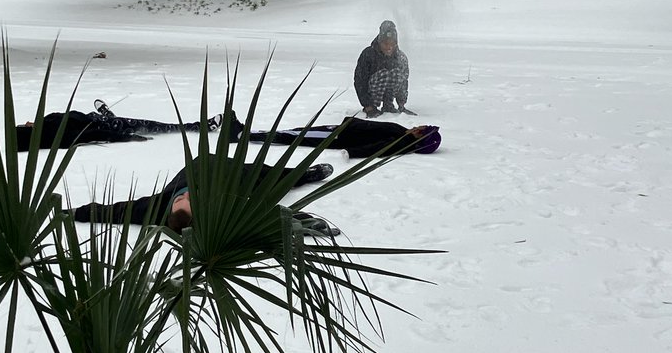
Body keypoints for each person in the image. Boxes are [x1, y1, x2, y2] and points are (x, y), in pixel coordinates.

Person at [72, 155, 336, 232]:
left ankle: (301, 173)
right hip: (228, 176)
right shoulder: (217, 207)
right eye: (187, 202)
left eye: (179, 200)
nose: (183, 197)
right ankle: (304, 175)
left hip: (203, 162)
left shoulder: (156, 206)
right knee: (267, 176)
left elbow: (116, 211)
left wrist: (74, 213)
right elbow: (262, 216)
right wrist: (306, 222)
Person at [15, 100, 219, 151]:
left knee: (118, 120)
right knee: (154, 126)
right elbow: (92, 135)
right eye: (26, 128)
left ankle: (108, 113)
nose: (27, 124)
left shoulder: (43, 125)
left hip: (93, 117)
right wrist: (128, 137)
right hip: (107, 126)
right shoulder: (56, 137)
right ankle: (197, 127)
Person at [242, 116, 440, 158]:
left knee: (294, 136)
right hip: (341, 129)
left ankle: (244, 134)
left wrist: (352, 152)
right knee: (297, 131)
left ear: (419, 135)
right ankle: (251, 132)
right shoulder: (403, 133)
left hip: (338, 137)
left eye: (422, 128)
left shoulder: (401, 141)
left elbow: (378, 149)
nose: (419, 125)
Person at [353, 20, 410, 118]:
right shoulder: (368, 54)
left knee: (398, 73)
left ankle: (388, 104)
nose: (389, 47)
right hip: (372, 92)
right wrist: (367, 105)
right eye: (385, 44)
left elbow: (404, 81)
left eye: (392, 44)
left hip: (390, 92)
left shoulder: (400, 57)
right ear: (380, 41)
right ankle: (372, 106)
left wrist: (401, 103)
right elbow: (359, 81)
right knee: (384, 74)